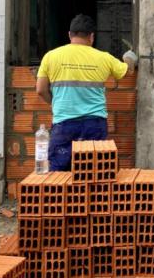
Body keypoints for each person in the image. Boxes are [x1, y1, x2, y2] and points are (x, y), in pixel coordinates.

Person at [36, 14, 138, 171]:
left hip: (64, 124)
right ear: (91, 37)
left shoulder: (51, 57)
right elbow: (128, 71)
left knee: (59, 175)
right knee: (95, 174)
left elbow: (41, 90)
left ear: (70, 34)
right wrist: (130, 58)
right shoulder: (104, 58)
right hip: (95, 124)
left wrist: (56, 101)